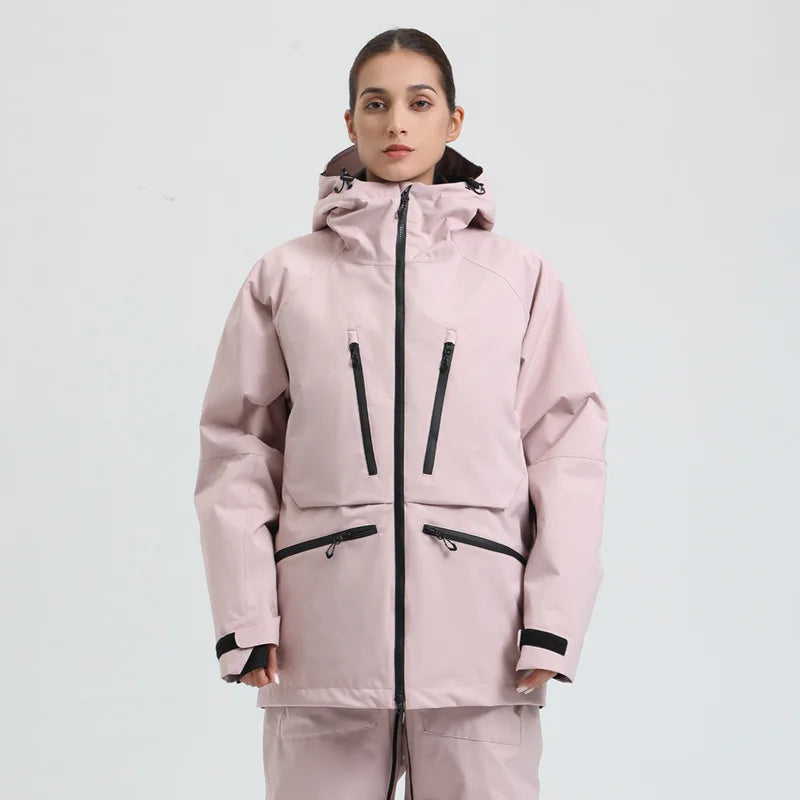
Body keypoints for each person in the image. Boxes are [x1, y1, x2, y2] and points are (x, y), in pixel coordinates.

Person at [193, 26, 608, 800]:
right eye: (376, 104)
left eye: (419, 103)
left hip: (482, 649)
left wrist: (553, 618)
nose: (397, 123)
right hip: (322, 649)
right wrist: (246, 619)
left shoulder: (519, 278)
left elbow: (566, 453)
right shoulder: (285, 277)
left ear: (454, 120)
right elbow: (239, 451)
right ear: (350, 121)